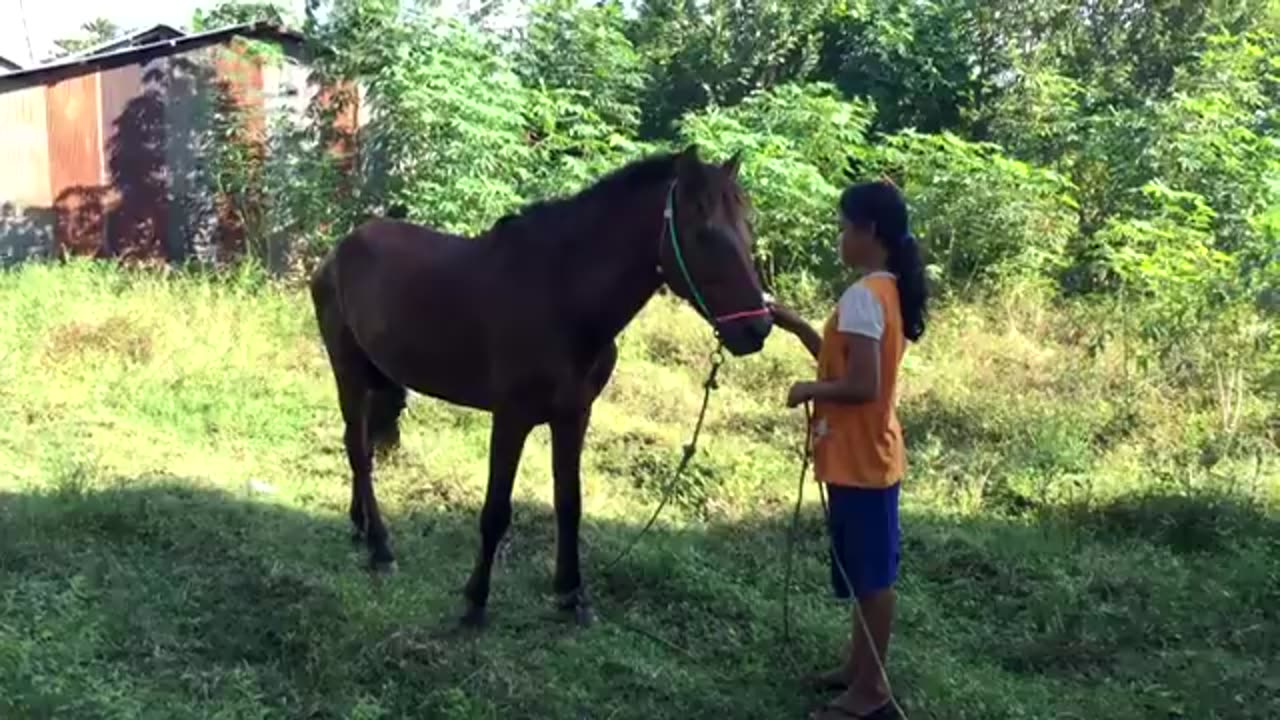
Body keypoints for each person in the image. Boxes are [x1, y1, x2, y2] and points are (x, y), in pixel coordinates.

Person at [769, 180, 927, 720]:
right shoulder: (883, 291)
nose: (839, 236)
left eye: (843, 226)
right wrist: (796, 327)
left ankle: (871, 693)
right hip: (867, 456)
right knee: (863, 572)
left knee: (873, 580)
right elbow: (846, 365)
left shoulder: (864, 297)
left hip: (862, 461)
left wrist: (807, 391)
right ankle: (857, 669)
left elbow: (862, 385)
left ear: (869, 232)